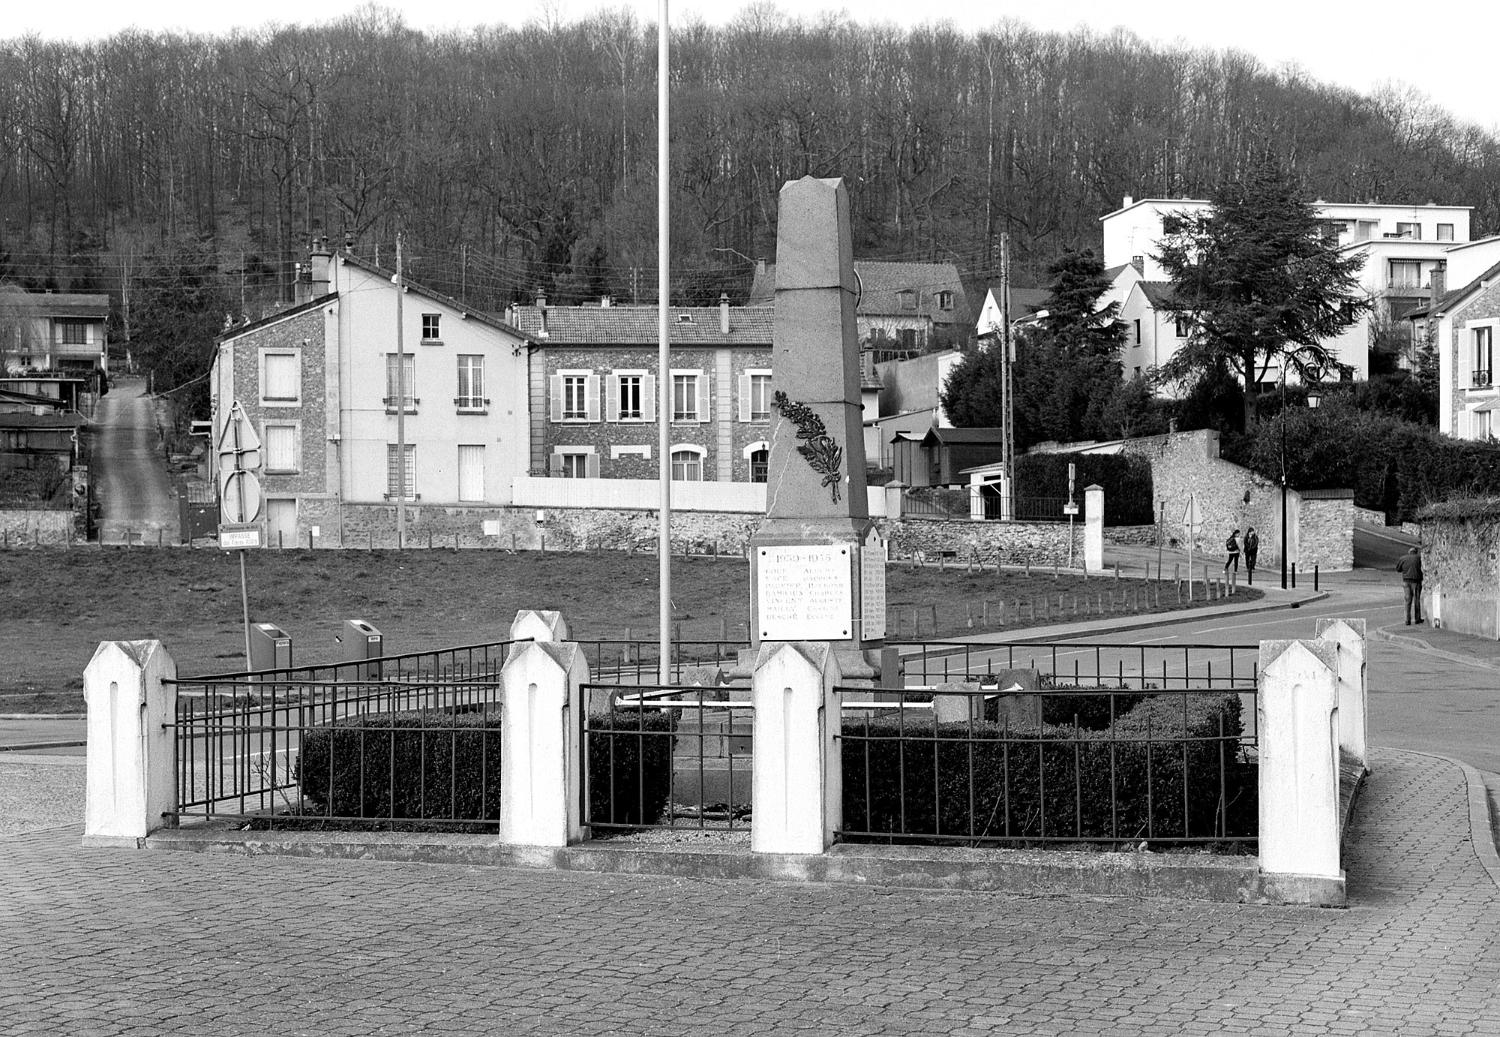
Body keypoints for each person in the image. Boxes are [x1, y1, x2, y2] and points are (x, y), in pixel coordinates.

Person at [1395, 545, 1425, 625]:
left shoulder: (1403, 558)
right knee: (1416, 600)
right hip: (1416, 581)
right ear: (1416, 552)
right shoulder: (1419, 558)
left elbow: (1398, 569)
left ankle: (1407, 620)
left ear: (1409, 552)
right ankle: (1417, 619)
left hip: (1406, 581)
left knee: (1407, 601)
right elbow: (1424, 568)